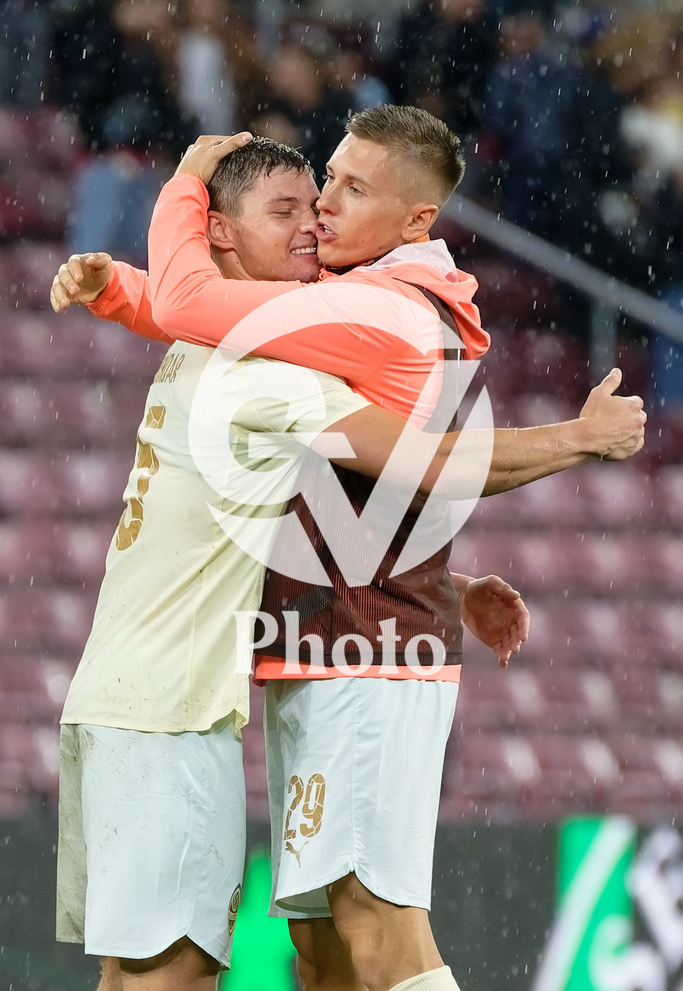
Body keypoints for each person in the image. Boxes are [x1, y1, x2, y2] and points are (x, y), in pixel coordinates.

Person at [54, 108, 645, 991]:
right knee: (318, 950)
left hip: (351, 656)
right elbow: (200, 325)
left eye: (345, 191)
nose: (321, 211)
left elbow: (426, 463)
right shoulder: (293, 330)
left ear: (416, 221)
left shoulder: (366, 312)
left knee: (362, 937)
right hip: (277, 662)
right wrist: (117, 289)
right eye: (317, 186)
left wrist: (576, 437)